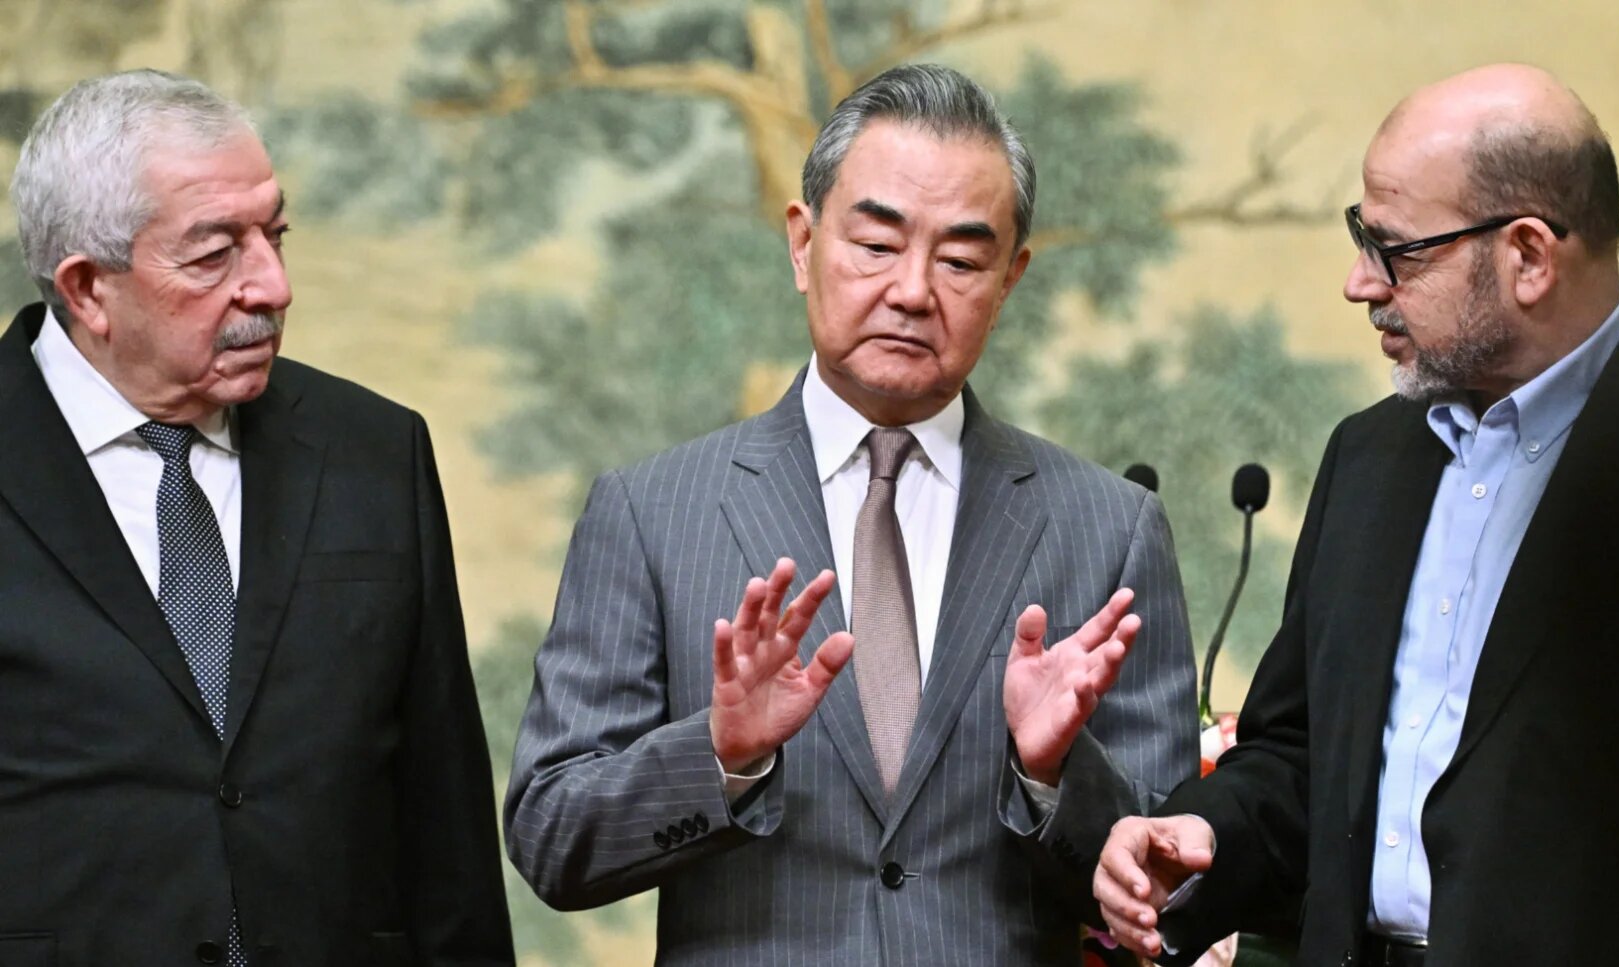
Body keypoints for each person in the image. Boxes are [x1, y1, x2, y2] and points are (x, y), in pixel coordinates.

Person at [505, 63, 1197, 965]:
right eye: (876, 244)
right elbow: (554, 837)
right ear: (802, 243)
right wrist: (721, 754)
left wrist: (1050, 772)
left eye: (959, 259)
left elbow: (1173, 880)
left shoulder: (1109, 526)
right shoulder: (650, 513)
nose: (913, 290)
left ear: (1010, 278)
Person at [1094, 63, 1619, 967]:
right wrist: (1199, 837)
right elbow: (1302, 757)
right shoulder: (1370, 457)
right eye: (1362, 237)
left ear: (1530, 257)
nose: (1360, 282)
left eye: (1397, 249)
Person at [0, 70, 514, 965]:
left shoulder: (375, 452)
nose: (271, 286)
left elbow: (446, 832)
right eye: (214, 255)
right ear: (86, 289)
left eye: (274, 235)